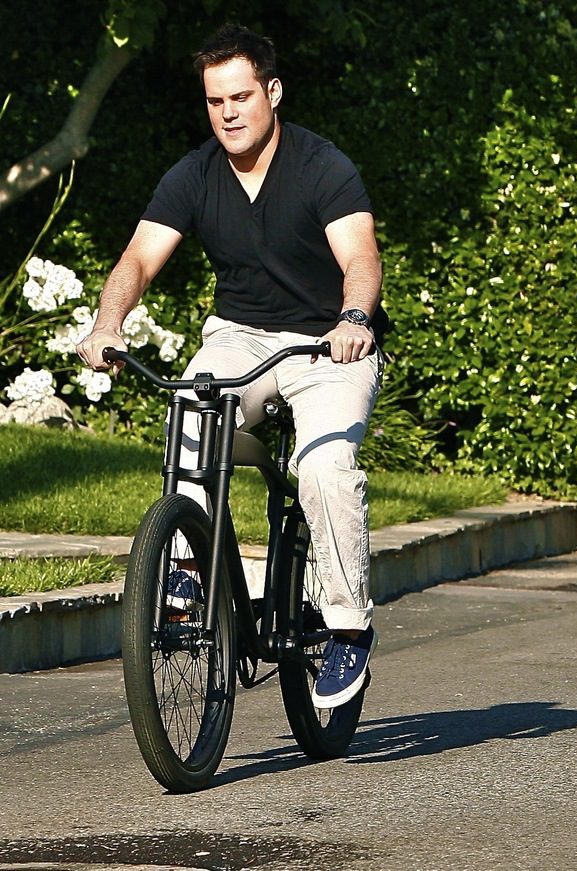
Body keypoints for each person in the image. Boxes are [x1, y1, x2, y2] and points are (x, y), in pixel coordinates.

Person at [76, 23, 386, 710]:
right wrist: (107, 323)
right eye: (216, 101)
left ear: (272, 92)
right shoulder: (194, 174)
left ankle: (345, 628)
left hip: (327, 345)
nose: (229, 113)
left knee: (326, 465)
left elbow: (361, 258)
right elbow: (136, 259)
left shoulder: (321, 166)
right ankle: (187, 570)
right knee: (192, 418)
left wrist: (354, 319)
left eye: (242, 96)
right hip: (240, 339)